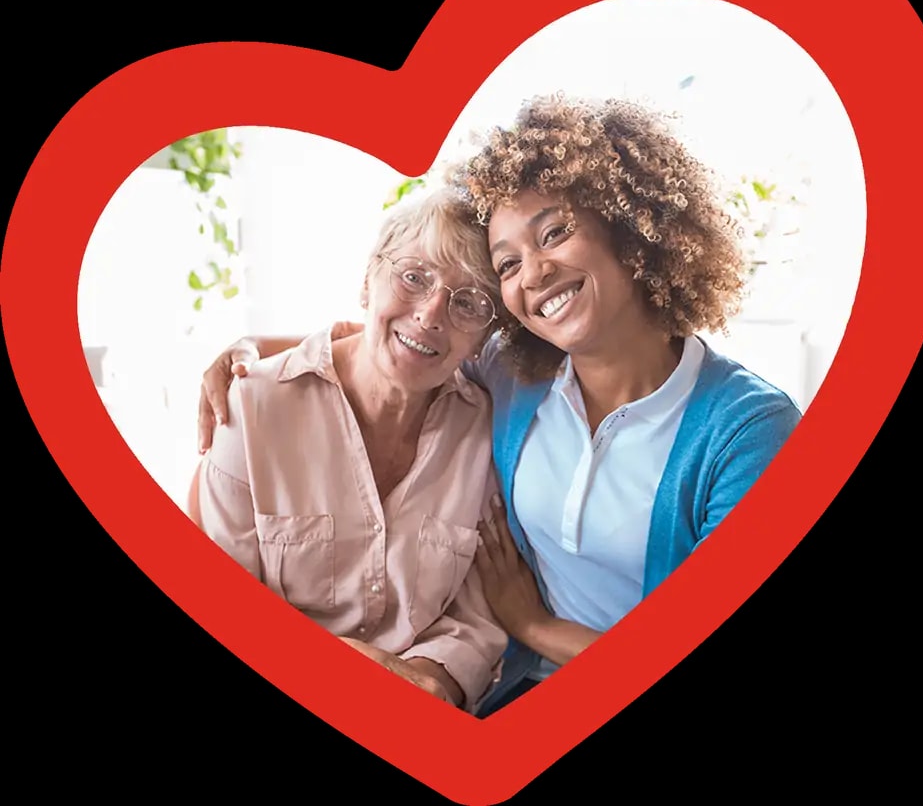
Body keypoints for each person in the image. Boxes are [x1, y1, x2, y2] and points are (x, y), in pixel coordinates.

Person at [197, 95, 802, 715]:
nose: (534, 273)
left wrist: (533, 626)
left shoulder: (750, 432)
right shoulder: (518, 379)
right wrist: (251, 351)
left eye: (555, 233)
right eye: (508, 263)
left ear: (628, 229)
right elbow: (398, 339)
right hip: (513, 698)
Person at [191, 187, 508, 712]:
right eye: (414, 277)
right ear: (367, 281)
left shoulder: (484, 430)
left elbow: (475, 615)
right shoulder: (248, 410)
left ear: (485, 337)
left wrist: (432, 680)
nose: (432, 314)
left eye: (469, 302)